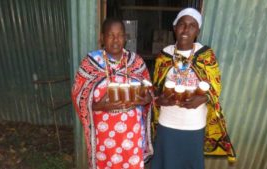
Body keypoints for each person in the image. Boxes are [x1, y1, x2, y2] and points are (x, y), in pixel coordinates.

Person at [150, 8, 236, 169]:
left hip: (194, 125)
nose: (186, 29)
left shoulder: (206, 55)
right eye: (182, 24)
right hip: (167, 123)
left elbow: (215, 87)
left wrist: (202, 98)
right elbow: (156, 89)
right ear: (175, 28)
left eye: (191, 25)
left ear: (197, 31)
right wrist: (160, 99)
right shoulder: (164, 55)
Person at [71, 18, 153, 169]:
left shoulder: (136, 62)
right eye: (110, 35)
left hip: (132, 135)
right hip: (104, 136)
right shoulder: (90, 63)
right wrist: (99, 105)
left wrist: (145, 99)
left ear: (125, 37)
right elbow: (78, 96)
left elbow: (149, 93)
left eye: (120, 35)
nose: (116, 40)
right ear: (102, 38)